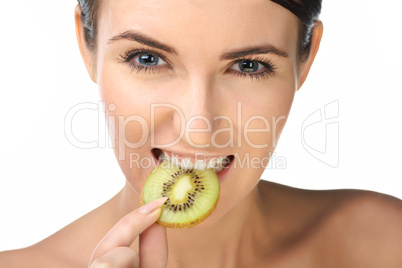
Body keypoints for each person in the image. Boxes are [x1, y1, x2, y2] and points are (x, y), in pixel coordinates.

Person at [1, 0, 402, 267]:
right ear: (87, 47)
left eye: (248, 66)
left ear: (307, 57)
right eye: (148, 58)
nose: (198, 128)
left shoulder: (385, 244)